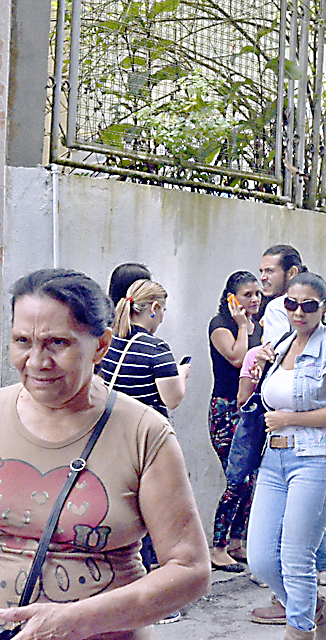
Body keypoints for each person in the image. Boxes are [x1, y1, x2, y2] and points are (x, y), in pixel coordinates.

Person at [0, 268, 209, 636]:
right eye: (21, 340)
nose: (36, 362)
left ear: (101, 345)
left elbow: (189, 570)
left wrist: (74, 622)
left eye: (57, 343)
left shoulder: (145, 433)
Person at [245, 271, 326, 640]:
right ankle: (320, 608)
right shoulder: (281, 342)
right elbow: (251, 396)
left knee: (296, 557)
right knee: (260, 558)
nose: (299, 312)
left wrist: (291, 418)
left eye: (308, 306)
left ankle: (301, 630)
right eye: (291, 304)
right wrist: (255, 365)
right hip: (273, 460)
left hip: (316, 459)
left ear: (323, 307)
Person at [208, 271, 264, 572]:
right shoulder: (221, 325)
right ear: (232, 298)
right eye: (247, 294)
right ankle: (216, 547)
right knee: (236, 479)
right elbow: (237, 358)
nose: (255, 299)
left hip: (251, 409)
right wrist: (243, 326)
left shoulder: (261, 324)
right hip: (225, 410)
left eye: (258, 293)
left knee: (250, 480)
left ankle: (236, 541)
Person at [99, 279, 188, 418]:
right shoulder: (157, 349)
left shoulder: (109, 340)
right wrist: (181, 373)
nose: (161, 319)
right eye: (162, 311)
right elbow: (172, 400)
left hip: (113, 423)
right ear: (154, 308)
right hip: (145, 429)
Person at [259, 245, 326, 345]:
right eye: (262, 271)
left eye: (270, 271)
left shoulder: (276, 307)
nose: (262, 277)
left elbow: (275, 353)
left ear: (292, 273)